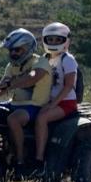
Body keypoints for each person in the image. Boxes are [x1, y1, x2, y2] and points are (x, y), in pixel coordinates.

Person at [0, 28, 53, 175]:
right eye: (11, 50)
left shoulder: (39, 62)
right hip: (15, 104)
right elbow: (4, 84)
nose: (13, 53)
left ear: (28, 48)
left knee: (13, 119)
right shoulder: (12, 66)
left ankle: (20, 160)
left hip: (35, 106)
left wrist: (8, 85)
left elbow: (31, 78)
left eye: (17, 50)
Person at [32, 22, 78, 170]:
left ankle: (39, 159)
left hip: (66, 102)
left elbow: (69, 85)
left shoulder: (68, 59)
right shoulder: (45, 58)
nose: (53, 43)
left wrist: (52, 105)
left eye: (57, 40)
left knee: (41, 118)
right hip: (48, 100)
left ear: (65, 41)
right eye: (50, 40)